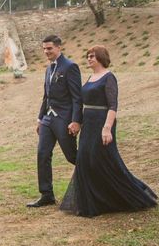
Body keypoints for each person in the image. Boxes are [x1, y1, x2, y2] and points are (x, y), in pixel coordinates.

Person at [60, 46, 158, 217]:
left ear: (101, 57)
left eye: (92, 56)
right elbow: (85, 105)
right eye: (88, 56)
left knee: (106, 160)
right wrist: (78, 124)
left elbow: (113, 106)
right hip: (89, 124)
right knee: (85, 159)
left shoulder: (109, 77)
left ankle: (132, 195)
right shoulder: (90, 77)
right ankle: (92, 201)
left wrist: (107, 129)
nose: (89, 59)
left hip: (102, 122)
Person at [28, 35, 82, 208]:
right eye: (44, 49)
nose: (46, 52)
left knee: (72, 156)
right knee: (42, 154)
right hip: (47, 120)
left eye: (49, 48)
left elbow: (76, 97)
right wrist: (39, 118)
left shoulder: (70, 67)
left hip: (64, 120)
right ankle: (46, 194)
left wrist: (75, 121)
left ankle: (97, 179)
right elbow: (46, 96)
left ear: (59, 47)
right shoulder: (49, 69)